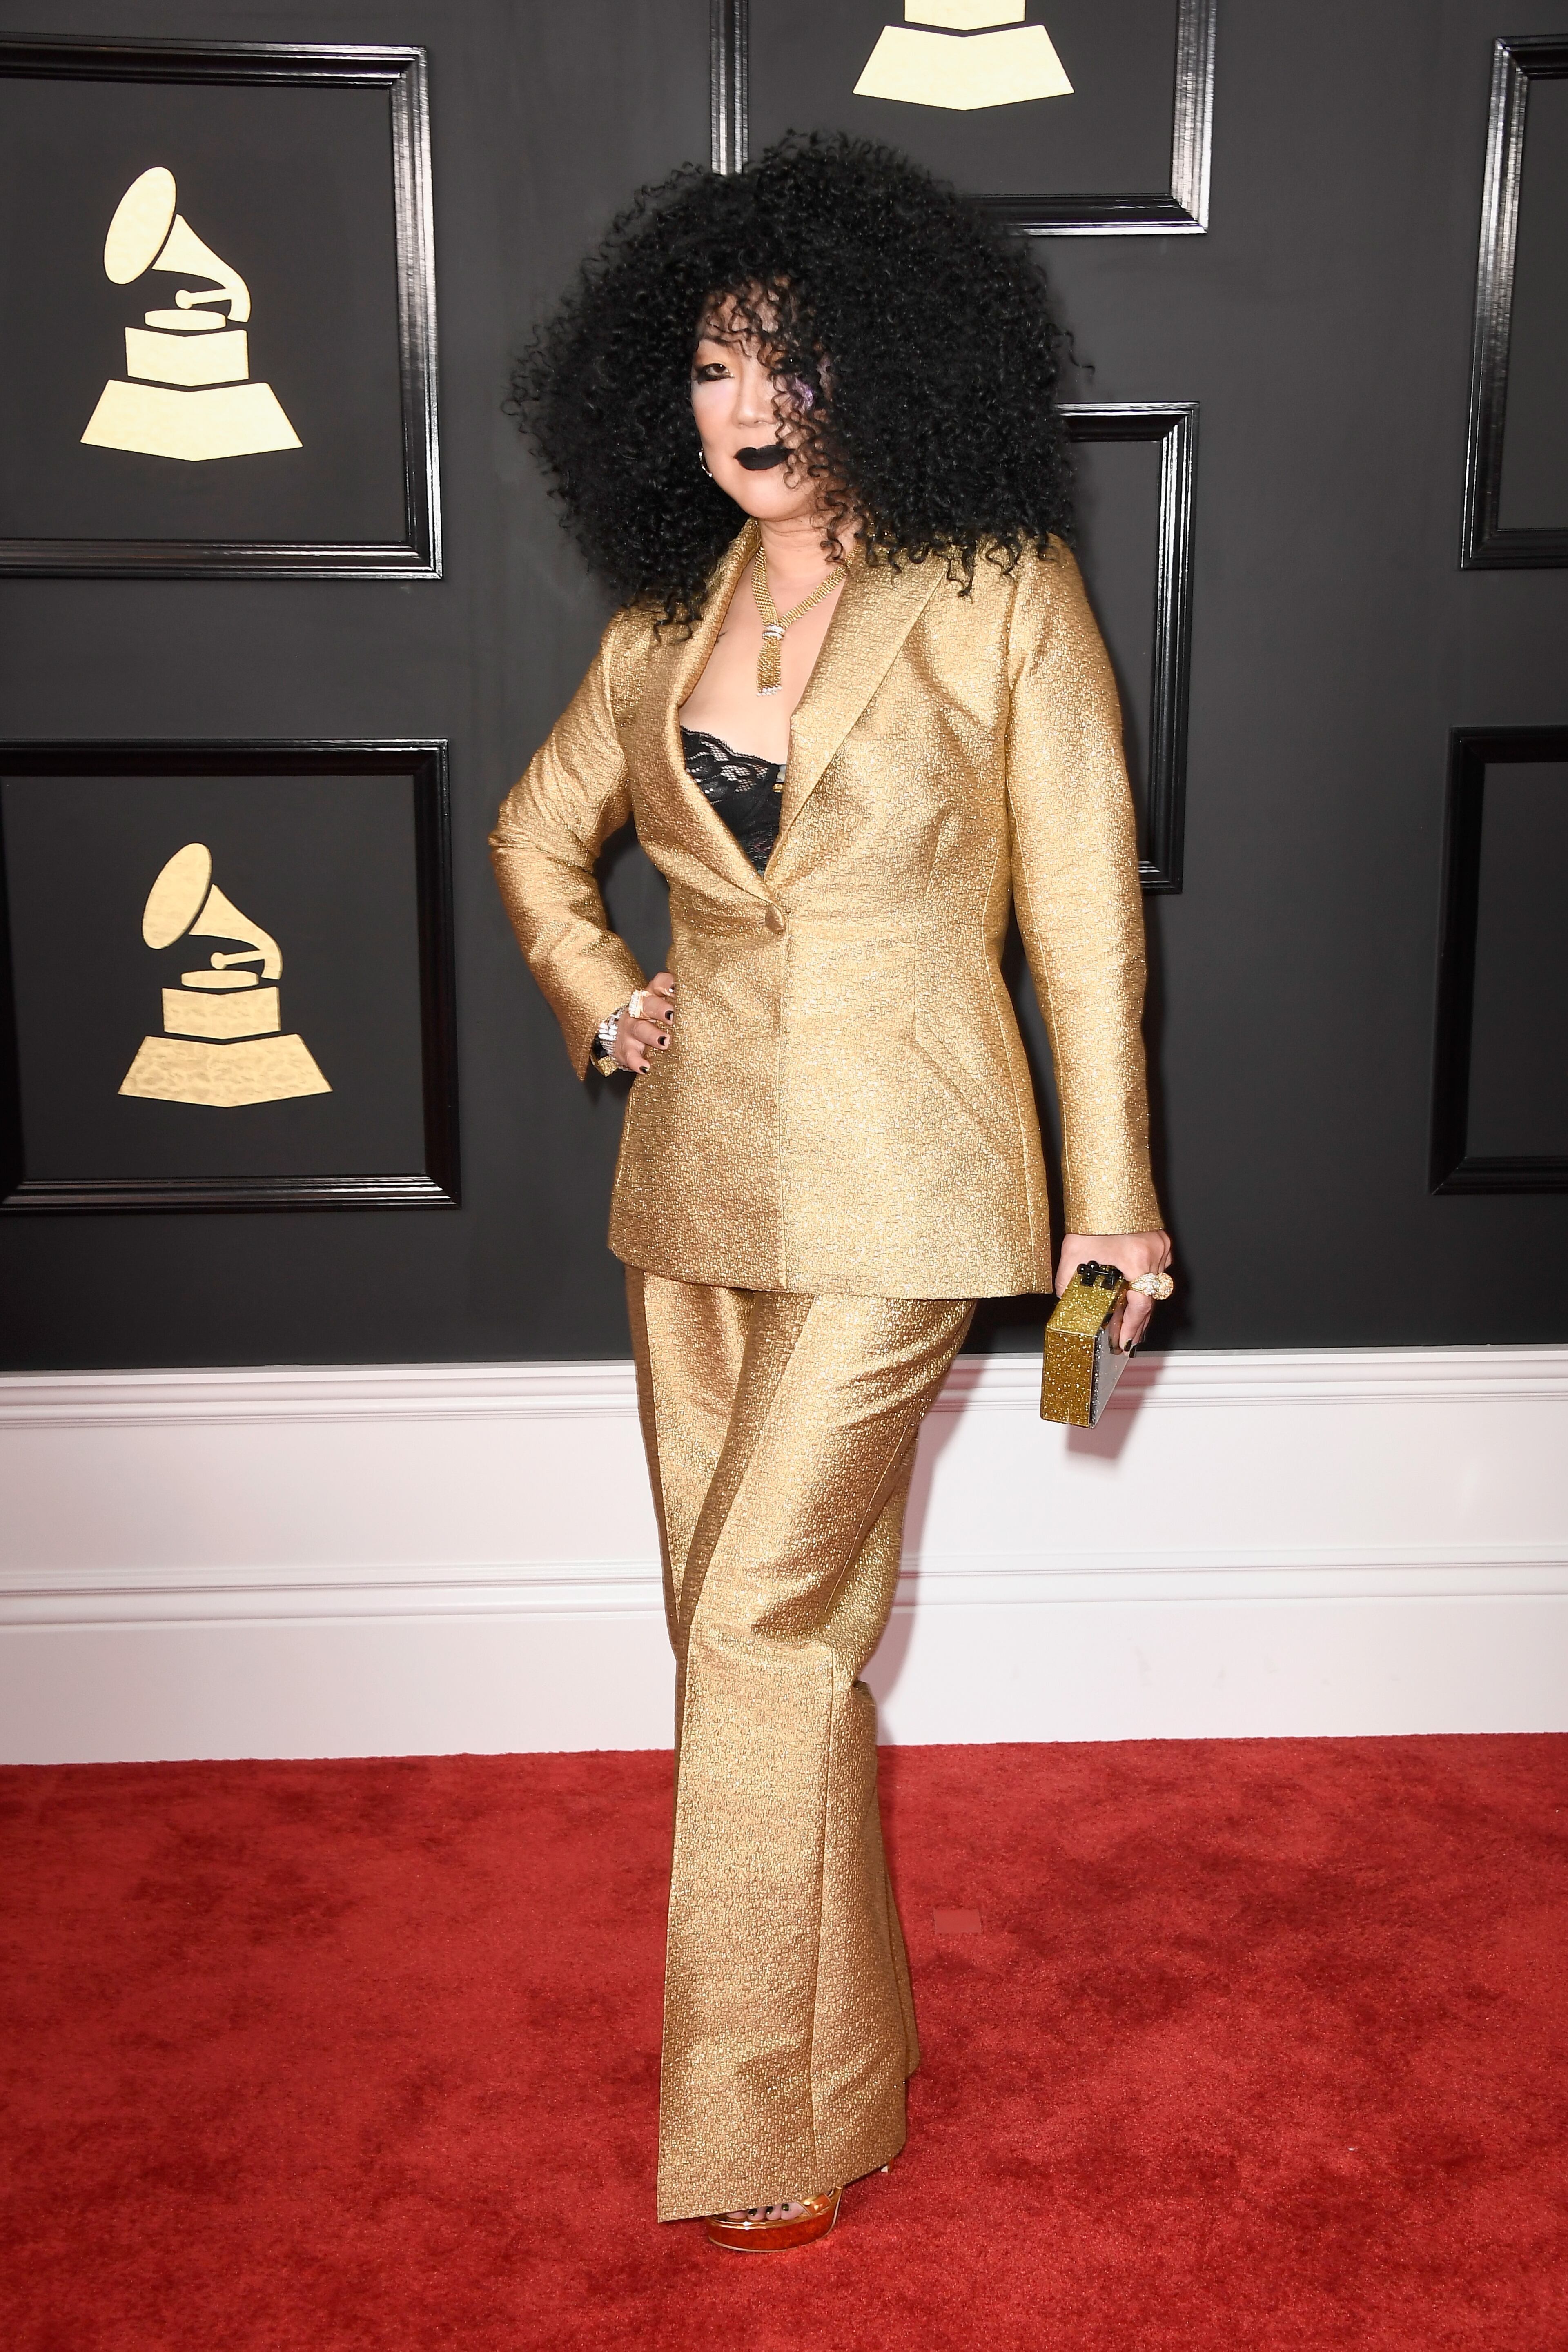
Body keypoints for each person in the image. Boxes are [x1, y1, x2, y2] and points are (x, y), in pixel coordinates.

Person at [492, 133, 1172, 2251]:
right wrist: (611, 995)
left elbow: (1081, 907)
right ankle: (844, 2068)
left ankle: (754, 2132)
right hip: (690, 1185)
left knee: (769, 1624)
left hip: (909, 1172)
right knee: (732, 1627)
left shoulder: (995, 591)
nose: (748, 401)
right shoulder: (657, 620)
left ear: (884, 369)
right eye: (709, 361)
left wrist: (1111, 1199)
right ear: (659, 393)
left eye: (788, 356)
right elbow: (535, 845)